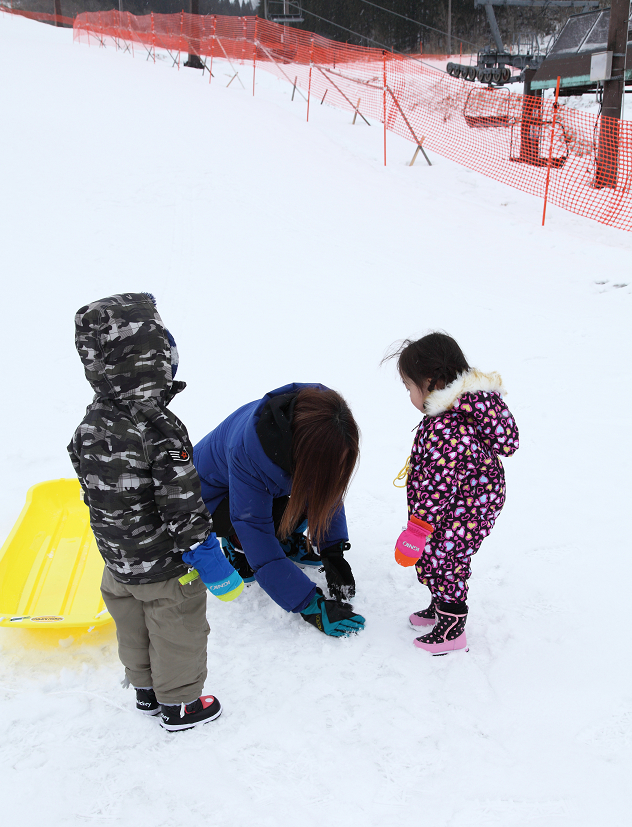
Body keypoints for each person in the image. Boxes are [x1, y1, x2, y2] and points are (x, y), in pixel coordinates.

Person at [68, 292, 242, 731]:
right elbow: (181, 500)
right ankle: (180, 704)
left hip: (117, 560)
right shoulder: (159, 427)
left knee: (132, 626)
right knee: (175, 625)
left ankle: (145, 690)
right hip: (164, 563)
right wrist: (207, 555)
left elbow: (84, 475)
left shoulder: (92, 420)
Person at [193, 384, 366, 637]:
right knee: (256, 527)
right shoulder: (248, 454)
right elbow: (255, 532)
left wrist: (333, 551)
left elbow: (326, 487)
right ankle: (235, 544)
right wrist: (310, 605)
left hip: (261, 478)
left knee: (311, 488)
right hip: (210, 499)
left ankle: (284, 540)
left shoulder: (319, 420)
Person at [391, 333, 519, 654]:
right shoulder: (459, 411)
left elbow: (437, 486)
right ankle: (441, 606)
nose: (409, 395)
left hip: (463, 506)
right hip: (469, 500)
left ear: (431, 382)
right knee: (438, 555)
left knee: (445, 560)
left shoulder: (447, 427)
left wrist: (418, 529)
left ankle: (451, 627)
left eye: (409, 387)